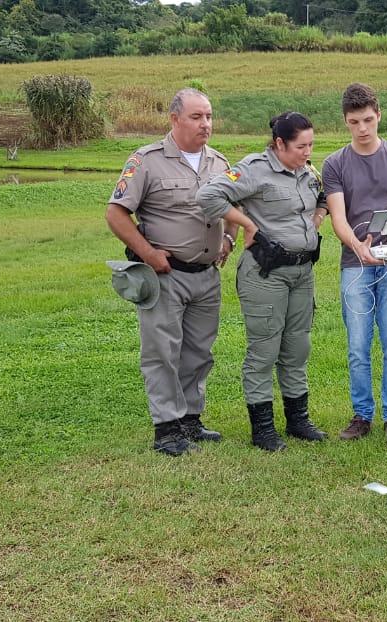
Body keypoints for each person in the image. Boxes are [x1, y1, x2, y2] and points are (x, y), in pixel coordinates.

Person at [104, 87, 237, 457]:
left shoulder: (219, 162)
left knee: (199, 350)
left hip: (206, 276)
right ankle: (166, 428)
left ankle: (190, 419)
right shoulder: (146, 160)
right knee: (162, 351)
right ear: (175, 119)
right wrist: (148, 254)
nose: (205, 124)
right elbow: (116, 213)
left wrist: (229, 239)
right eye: (197, 117)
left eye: (209, 116)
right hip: (166, 275)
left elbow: (234, 204)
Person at [195, 111, 329, 452]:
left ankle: (298, 420)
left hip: (302, 271)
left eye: (311, 145)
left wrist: (317, 218)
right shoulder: (254, 169)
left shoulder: (307, 171)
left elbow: (323, 196)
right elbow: (208, 196)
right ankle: (263, 429)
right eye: (301, 146)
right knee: (264, 350)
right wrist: (247, 224)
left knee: (297, 347)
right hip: (266, 273)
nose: (307, 152)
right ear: (280, 143)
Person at [321, 83, 387, 447]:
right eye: (354, 122)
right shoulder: (334, 163)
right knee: (357, 345)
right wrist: (357, 246)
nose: (362, 128)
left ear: (378, 115)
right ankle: (362, 414)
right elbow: (338, 217)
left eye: (367, 120)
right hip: (355, 264)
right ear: (345, 122)